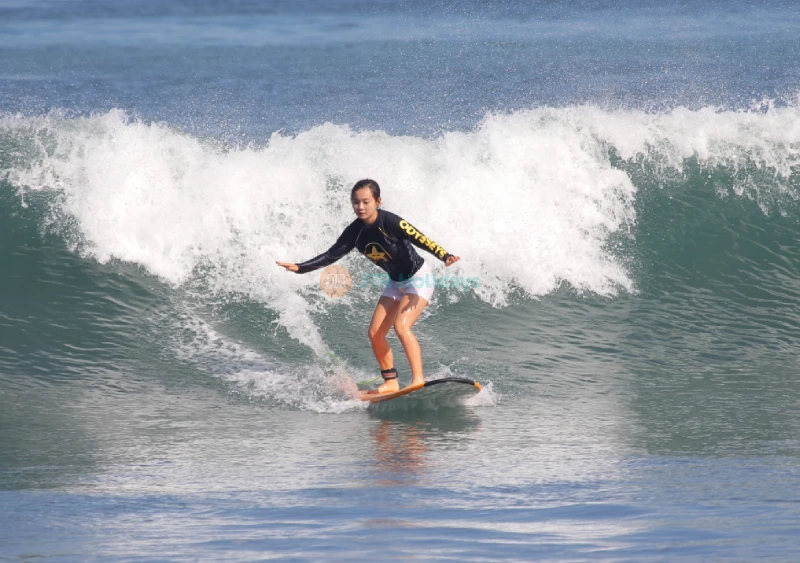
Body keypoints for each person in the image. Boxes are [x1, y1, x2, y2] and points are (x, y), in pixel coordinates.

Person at [276, 179, 460, 394]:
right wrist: (300, 267)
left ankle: (418, 380)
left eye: (365, 202)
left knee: (401, 326)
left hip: (419, 277)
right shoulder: (355, 232)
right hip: (395, 282)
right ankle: (391, 382)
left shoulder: (391, 221)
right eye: (355, 203)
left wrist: (444, 255)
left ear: (378, 201)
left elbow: (419, 238)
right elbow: (331, 254)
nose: (360, 207)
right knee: (375, 333)